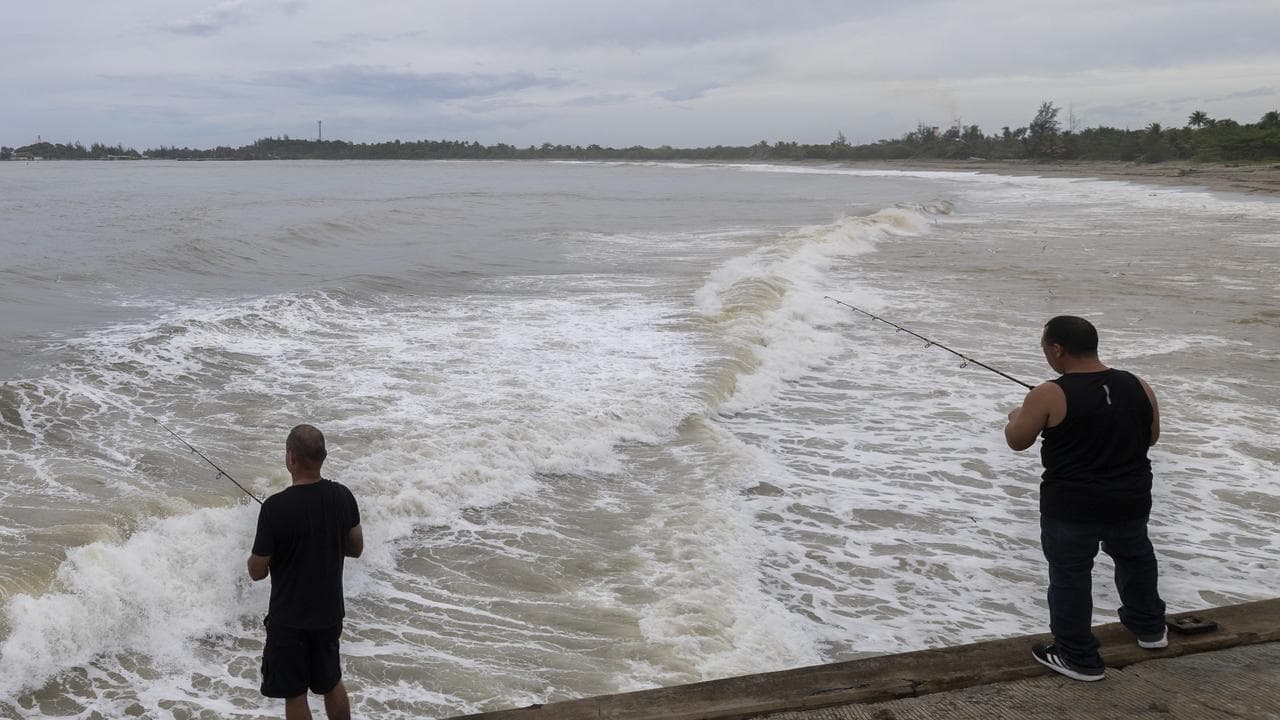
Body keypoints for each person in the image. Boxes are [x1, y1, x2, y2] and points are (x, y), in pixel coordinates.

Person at [1004, 316, 1167, 682]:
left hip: (1071, 508)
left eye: (1046, 348)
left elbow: (1017, 440)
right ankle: (1151, 629)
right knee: (1135, 558)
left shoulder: (1048, 393)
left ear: (1057, 349)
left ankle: (1078, 657)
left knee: (1070, 575)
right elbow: (1151, 436)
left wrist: (1017, 415)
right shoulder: (1137, 384)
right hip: (1130, 499)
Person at [249, 424, 363, 719]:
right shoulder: (343, 496)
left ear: (291, 458)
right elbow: (356, 547)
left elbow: (257, 571)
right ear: (322, 456)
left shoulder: (275, 507)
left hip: (290, 620)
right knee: (331, 681)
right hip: (328, 614)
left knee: (295, 693)